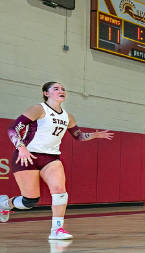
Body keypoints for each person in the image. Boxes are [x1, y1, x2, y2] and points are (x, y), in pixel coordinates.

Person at [0, 82, 114, 240]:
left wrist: (93, 135)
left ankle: (57, 229)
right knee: (30, 201)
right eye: (56, 89)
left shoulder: (68, 116)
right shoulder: (38, 109)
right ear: (46, 93)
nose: (61, 91)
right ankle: (4, 204)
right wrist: (21, 148)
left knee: (60, 189)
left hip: (51, 158)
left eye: (63, 89)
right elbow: (13, 129)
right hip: (27, 156)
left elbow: (78, 136)